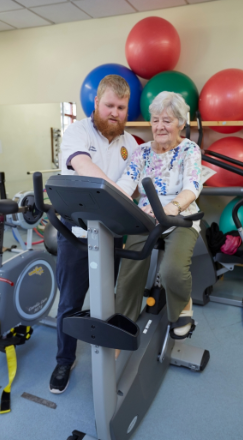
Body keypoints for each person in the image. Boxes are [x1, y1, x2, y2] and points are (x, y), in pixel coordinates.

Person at [49, 75, 138, 394]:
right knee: (70, 303)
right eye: (110, 105)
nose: (115, 112)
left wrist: (120, 203)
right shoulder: (77, 132)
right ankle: (64, 360)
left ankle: (105, 354)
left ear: (127, 110)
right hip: (76, 235)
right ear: (97, 103)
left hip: (112, 235)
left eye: (121, 107)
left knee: (106, 300)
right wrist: (116, 199)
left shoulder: (132, 146)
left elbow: (130, 186)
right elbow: (83, 166)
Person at [115, 91, 202, 338]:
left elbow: (193, 186)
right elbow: (126, 182)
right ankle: (125, 319)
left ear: (181, 124)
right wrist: (113, 201)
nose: (160, 126)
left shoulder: (189, 149)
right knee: (130, 265)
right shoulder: (142, 152)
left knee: (172, 270)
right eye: (155, 120)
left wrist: (172, 207)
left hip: (181, 216)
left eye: (167, 120)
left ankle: (181, 309)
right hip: (146, 217)